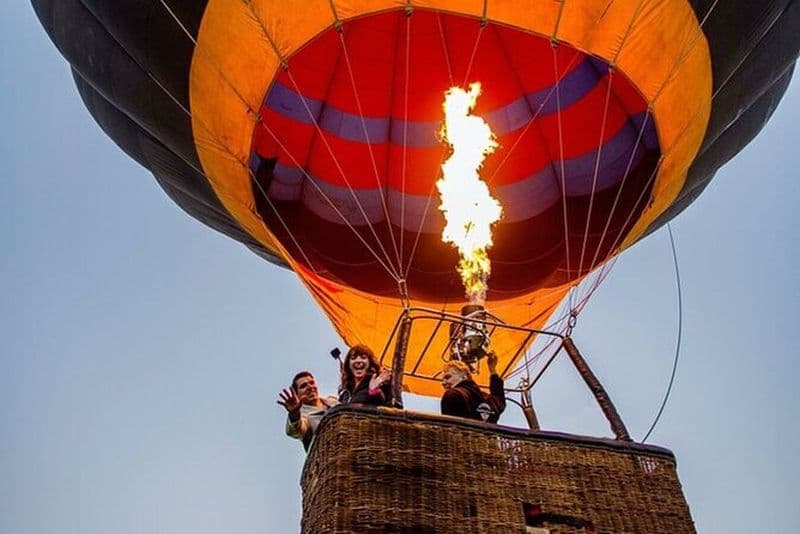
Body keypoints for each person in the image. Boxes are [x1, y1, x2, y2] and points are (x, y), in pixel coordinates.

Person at [277, 371, 338, 451]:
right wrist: (294, 412)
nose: (310, 387)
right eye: (303, 386)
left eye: (312, 383)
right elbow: (296, 430)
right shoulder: (304, 416)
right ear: (297, 396)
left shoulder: (333, 401)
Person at [440, 352, 506, 423]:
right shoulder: (486, 400)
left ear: (464, 376)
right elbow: (499, 399)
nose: (443, 383)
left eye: (448, 377)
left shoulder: (453, 395)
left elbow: (450, 426)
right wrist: (492, 369)